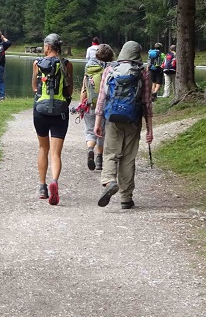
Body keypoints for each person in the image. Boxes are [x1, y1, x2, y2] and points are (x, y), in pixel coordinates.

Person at [94, 40, 153, 209]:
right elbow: (147, 103)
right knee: (128, 158)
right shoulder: (143, 73)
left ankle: (110, 181)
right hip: (133, 120)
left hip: (112, 119)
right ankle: (126, 198)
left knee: (111, 153)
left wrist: (98, 122)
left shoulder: (110, 70)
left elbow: (102, 98)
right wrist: (150, 129)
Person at [32, 33, 74, 205]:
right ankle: (54, 181)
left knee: (43, 148)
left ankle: (42, 187)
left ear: (48, 47)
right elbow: (69, 91)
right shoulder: (67, 64)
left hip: (40, 112)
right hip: (60, 112)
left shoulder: (37, 63)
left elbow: (34, 87)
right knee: (56, 153)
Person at [79, 43, 114, 172]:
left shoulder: (89, 68)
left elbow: (84, 88)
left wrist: (81, 104)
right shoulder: (112, 68)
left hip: (90, 104)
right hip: (106, 106)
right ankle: (99, 160)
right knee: (102, 133)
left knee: (90, 131)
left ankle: (90, 150)